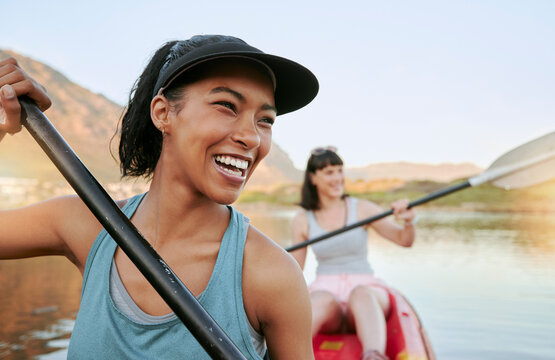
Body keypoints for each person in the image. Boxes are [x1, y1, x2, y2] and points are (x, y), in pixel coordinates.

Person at [0, 35, 319, 359]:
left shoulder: (273, 275)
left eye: (265, 120)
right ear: (163, 112)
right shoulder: (87, 226)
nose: (251, 136)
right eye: (227, 106)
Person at [290, 147, 416, 360]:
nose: (338, 178)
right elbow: (293, 273)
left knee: (361, 293)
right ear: (313, 178)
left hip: (367, 291)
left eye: (340, 171)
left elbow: (404, 240)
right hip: (328, 297)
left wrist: (408, 221)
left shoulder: (363, 209)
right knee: (319, 299)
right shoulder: (302, 219)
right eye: (329, 172)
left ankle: (374, 356)